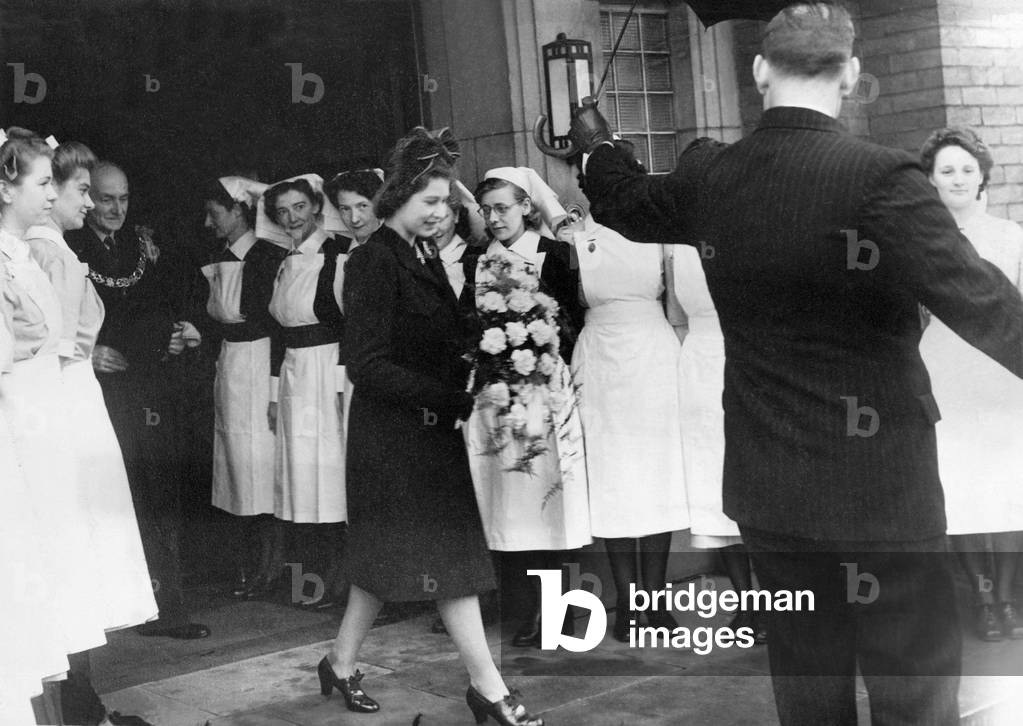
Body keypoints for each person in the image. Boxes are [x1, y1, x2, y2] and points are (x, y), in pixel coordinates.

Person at [570, 3, 1023, 723]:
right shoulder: (882, 176)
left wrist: (595, 142)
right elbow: (988, 307)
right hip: (882, 487)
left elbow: (624, 199)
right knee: (914, 694)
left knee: (809, 690)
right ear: (850, 73)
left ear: (758, 71)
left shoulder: (712, 175)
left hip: (772, 486)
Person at [328, 127, 544, 726]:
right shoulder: (373, 260)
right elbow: (367, 365)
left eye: (445, 201)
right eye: (429, 200)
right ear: (398, 196)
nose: (439, 211)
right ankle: (488, 689)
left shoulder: (415, 253)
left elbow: (429, 336)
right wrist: (451, 397)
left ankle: (340, 662)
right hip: (395, 439)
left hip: (423, 433)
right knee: (451, 565)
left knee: (392, 560)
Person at [24, 140, 159, 724]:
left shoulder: (56, 247)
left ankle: (83, 703)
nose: (85, 202)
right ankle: (74, 707)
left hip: (79, 400)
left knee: (81, 558)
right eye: (80, 190)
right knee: (70, 553)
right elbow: (47, 351)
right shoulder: (44, 250)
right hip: (66, 405)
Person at [66, 161, 210, 640]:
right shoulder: (70, 244)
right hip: (102, 391)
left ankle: (167, 606)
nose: (116, 209)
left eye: (123, 198)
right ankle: (116, 609)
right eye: (106, 198)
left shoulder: (140, 245)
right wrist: (86, 354)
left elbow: (164, 302)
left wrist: (177, 334)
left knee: (159, 491)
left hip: (149, 386)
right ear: (88, 198)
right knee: (114, 495)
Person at [465, 167, 591, 648]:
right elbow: (469, 321)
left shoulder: (553, 255)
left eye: (503, 208)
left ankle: (558, 610)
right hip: (496, 394)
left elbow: (573, 318)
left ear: (526, 206)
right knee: (510, 500)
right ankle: (524, 604)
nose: (494, 218)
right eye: (486, 210)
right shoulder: (479, 259)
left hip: (543, 390)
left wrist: (541, 356)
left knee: (547, 495)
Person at [918, 127, 1023, 642]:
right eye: (947, 170)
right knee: (960, 490)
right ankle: (982, 603)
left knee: (1007, 489)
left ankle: (1006, 600)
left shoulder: (1011, 235)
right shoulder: (920, 239)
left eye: (967, 169)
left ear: (982, 176)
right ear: (931, 181)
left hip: (1002, 374)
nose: (958, 178)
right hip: (946, 373)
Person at [565, 207, 689, 642]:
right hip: (600, 362)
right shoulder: (574, 236)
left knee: (657, 479)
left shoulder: (660, 234)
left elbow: (677, 306)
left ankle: (656, 602)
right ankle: (629, 606)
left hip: (653, 359)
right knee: (613, 484)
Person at [669, 242, 766, 643]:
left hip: (749, 358)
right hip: (698, 370)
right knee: (714, 487)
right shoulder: (675, 247)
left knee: (759, 481)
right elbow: (677, 319)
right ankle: (747, 604)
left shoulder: (750, 231)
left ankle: (777, 599)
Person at [198, 176, 289, 598]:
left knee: (261, 466)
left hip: (257, 363)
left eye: (214, 213)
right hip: (231, 366)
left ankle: (273, 567)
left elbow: (277, 326)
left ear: (238, 211)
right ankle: (251, 564)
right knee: (237, 466)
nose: (208, 223)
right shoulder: (220, 257)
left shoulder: (268, 257)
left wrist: (272, 389)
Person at [260, 175, 349, 606]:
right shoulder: (285, 260)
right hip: (294, 375)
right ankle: (304, 583)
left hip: (327, 372)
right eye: (282, 211)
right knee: (298, 478)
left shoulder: (337, 255)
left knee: (328, 476)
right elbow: (279, 334)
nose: (291, 218)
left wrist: (340, 387)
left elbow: (349, 327)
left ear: (316, 206)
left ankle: (337, 583)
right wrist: (273, 395)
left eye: (299, 207)